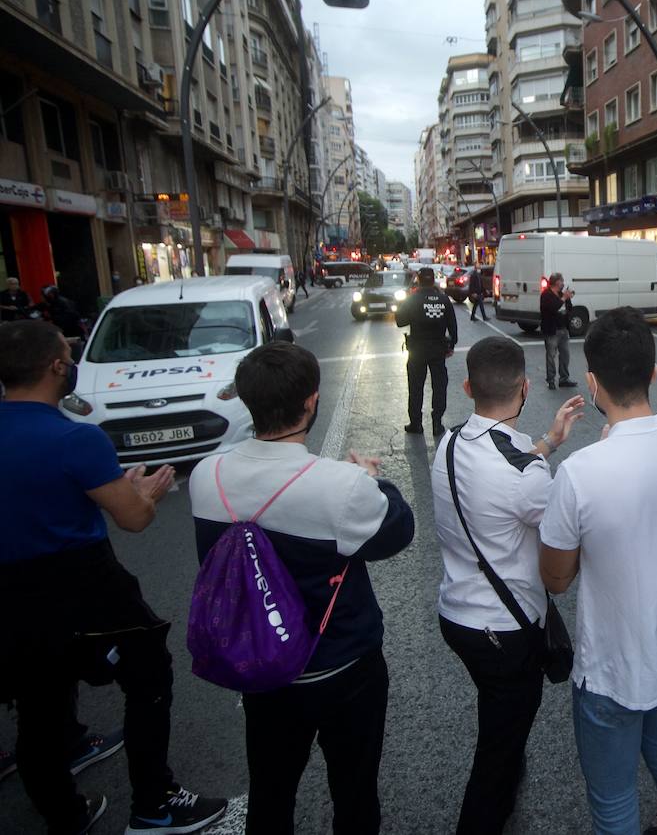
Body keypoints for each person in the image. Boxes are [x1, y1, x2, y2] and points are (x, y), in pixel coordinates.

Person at [0, 320, 228, 835]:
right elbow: (133, 519)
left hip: (10, 595)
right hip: (83, 584)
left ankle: (64, 814)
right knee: (149, 679)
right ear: (58, 367)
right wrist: (141, 493)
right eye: (68, 355)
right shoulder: (76, 439)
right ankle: (154, 803)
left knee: (37, 703)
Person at [189, 342, 414, 833]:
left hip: (262, 669)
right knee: (354, 792)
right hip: (342, 668)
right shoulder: (340, 486)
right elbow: (398, 531)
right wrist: (374, 480)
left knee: (272, 792)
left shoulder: (207, 476)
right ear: (311, 401)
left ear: (247, 401)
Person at [539, 307, 657, 835]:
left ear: (593, 383)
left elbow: (556, 579)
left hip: (611, 672)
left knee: (614, 799)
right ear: (654, 372)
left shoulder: (579, 473)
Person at [432, 337, 584, 834]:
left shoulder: (450, 441)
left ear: (468, 386)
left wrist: (549, 441)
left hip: (457, 614)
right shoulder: (527, 476)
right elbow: (564, 529)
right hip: (504, 631)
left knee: (498, 722)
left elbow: (508, 469)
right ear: (524, 386)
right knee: (497, 753)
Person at [396, 266, 458, 436]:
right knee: (439, 386)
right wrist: (451, 346)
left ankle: (416, 423)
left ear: (419, 279)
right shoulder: (443, 299)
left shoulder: (413, 299)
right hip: (438, 350)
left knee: (416, 387)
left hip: (417, 350)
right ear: (433, 280)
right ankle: (437, 423)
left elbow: (400, 321)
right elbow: (453, 326)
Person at [540, 273, 577, 391]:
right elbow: (553, 307)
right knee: (551, 356)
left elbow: (569, 309)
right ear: (556, 282)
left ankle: (564, 379)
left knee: (565, 355)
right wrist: (564, 298)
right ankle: (551, 380)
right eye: (562, 281)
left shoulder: (562, 294)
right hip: (552, 330)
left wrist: (568, 298)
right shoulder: (546, 295)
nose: (563, 283)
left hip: (563, 329)